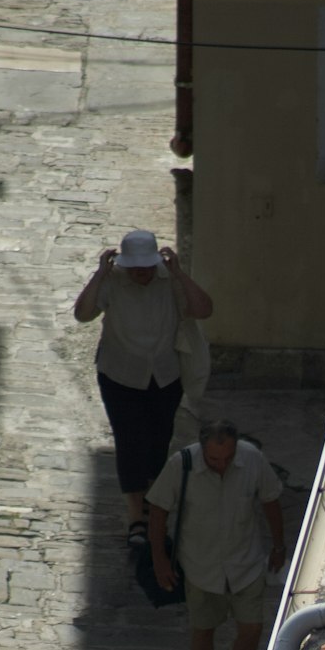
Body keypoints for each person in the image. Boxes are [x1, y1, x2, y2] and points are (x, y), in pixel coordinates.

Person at [73, 229, 213, 549]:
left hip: (164, 375)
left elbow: (204, 309)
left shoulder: (170, 281)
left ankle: (153, 504)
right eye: (135, 266)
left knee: (158, 440)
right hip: (119, 374)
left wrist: (179, 273)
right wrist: (99, 274)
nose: (141, 272)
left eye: (146, 266)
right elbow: (82, 314)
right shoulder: (113, 281)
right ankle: (136, 514)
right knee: (129, 441)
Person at [146, 419, 286, 650]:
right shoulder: (180, 465)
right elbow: (157, 510)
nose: (221, 465)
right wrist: (159, 560)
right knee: (203, 631)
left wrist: (279, 545)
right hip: (200, 565)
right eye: (213, 460)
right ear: (202, 450)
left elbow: (271, 500)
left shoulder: (252, 460)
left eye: (226, 458)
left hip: (245, 562)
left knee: (252, 628)